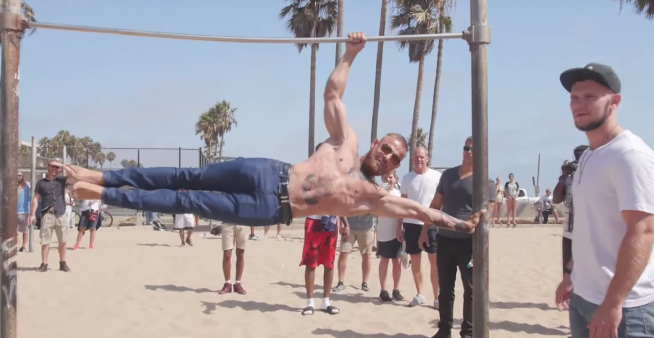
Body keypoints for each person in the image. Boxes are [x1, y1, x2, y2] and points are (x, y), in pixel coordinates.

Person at [66, 32, 485, 238]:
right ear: (377, 143)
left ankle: (101, 194)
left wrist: (461, 225)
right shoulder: (347, 142)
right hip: (268, 174)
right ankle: (98, 175)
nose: (391, 159)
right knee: (187, 177)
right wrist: (351, 54)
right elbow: (333, 92)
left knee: (188, 200)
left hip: (271, 212)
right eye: (389, 150)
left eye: (395, 159)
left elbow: (421, 212)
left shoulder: (372, 197)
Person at [554, 63, 654, 338]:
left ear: (614, 101)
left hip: (624, 306)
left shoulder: (630, 156)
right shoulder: (590, 155)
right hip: (585, 297)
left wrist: (614, 302)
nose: (579, 103)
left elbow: (643, 232)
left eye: (590, 96)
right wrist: (572, 274)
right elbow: (590, 226)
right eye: (574, 97)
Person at [423, 136, 496, 338]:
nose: (468, 152)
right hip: (445, 239)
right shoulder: (448, 175)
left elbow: (487, 214)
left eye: (473, 150)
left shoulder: (485, 181)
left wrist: (479, 247)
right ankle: (444, 329)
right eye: (466, 148)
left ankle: (468, 333)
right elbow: (435, 205)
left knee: (470, 289)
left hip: (469, 244)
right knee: (445, 288)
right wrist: (425, 229)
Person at [400, 146, 442, 308]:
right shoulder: (406, 178)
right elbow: (402, 205)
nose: (419, 160)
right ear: (412, 160)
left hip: (432, 224)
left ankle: (437, 297)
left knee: (435, 261)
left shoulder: (437, 177)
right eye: (416, 157)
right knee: (415, 260)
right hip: (411, 224)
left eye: (422, 157)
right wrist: (399, 227)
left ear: (427, 158)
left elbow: (441, 202)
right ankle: (420, 294)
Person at [553, 145, 589, 276]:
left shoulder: (594, 173)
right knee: (568, 272)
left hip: (589, 232)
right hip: (569, 231)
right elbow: (556, 199)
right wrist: (563, 177)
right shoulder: (568, 177)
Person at [30, 159, 71, 272]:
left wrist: (63, 166)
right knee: (45, 241)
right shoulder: (41, 183)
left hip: (60, 214)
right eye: (52, 166)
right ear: (48, 167)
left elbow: (74, 176)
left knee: (62, 240)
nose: (54, 169)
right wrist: (32, 214)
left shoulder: (62, 180)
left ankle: (62, 263)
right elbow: (36, 199)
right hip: (47, 214)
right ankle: (44, 264)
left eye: (57, 167)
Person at [300, 213, 339, 315]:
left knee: (329, 263)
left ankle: (326, 301)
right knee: (310, 262)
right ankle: (310, 302)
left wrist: (346, 224)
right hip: (313, 220)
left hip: (331, 220)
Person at [377, 170, 405, 302]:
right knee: (384, 260)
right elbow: (374, 210)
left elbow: (401, 211)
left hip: (397, 231)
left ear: (395, 178)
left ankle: (396, 290)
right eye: (386, 177)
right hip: (383, 230)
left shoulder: (399, 193)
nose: (388, 179)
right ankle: (383, 290)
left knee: (397, 261)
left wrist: (399, 228)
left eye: (391, 177)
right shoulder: (379, 192)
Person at [333, 213, 374, 292]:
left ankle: (364, 283)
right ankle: (340, 282)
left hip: (366, 228)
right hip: (349, 226)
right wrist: (342, 224)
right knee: (343, 252)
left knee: (366, 255)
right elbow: (343, 207)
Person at [219, 223, 250, 295]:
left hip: (243, 222)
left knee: (240, 254)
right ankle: (227, 283)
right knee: (227, 253)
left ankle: (238, 283)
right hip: (228, 222)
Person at [17, 173, 31, 252]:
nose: (18, 177)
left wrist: (30, 212)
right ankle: (14, 245)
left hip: (25, 211)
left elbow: (31, 198)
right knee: (13, 230)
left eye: (19, 175)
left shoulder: (28, 185)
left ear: (23, 176)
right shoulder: (12, 185)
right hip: (14, 211)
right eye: (17, 175)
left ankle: (23, 246)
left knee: (25, 230)